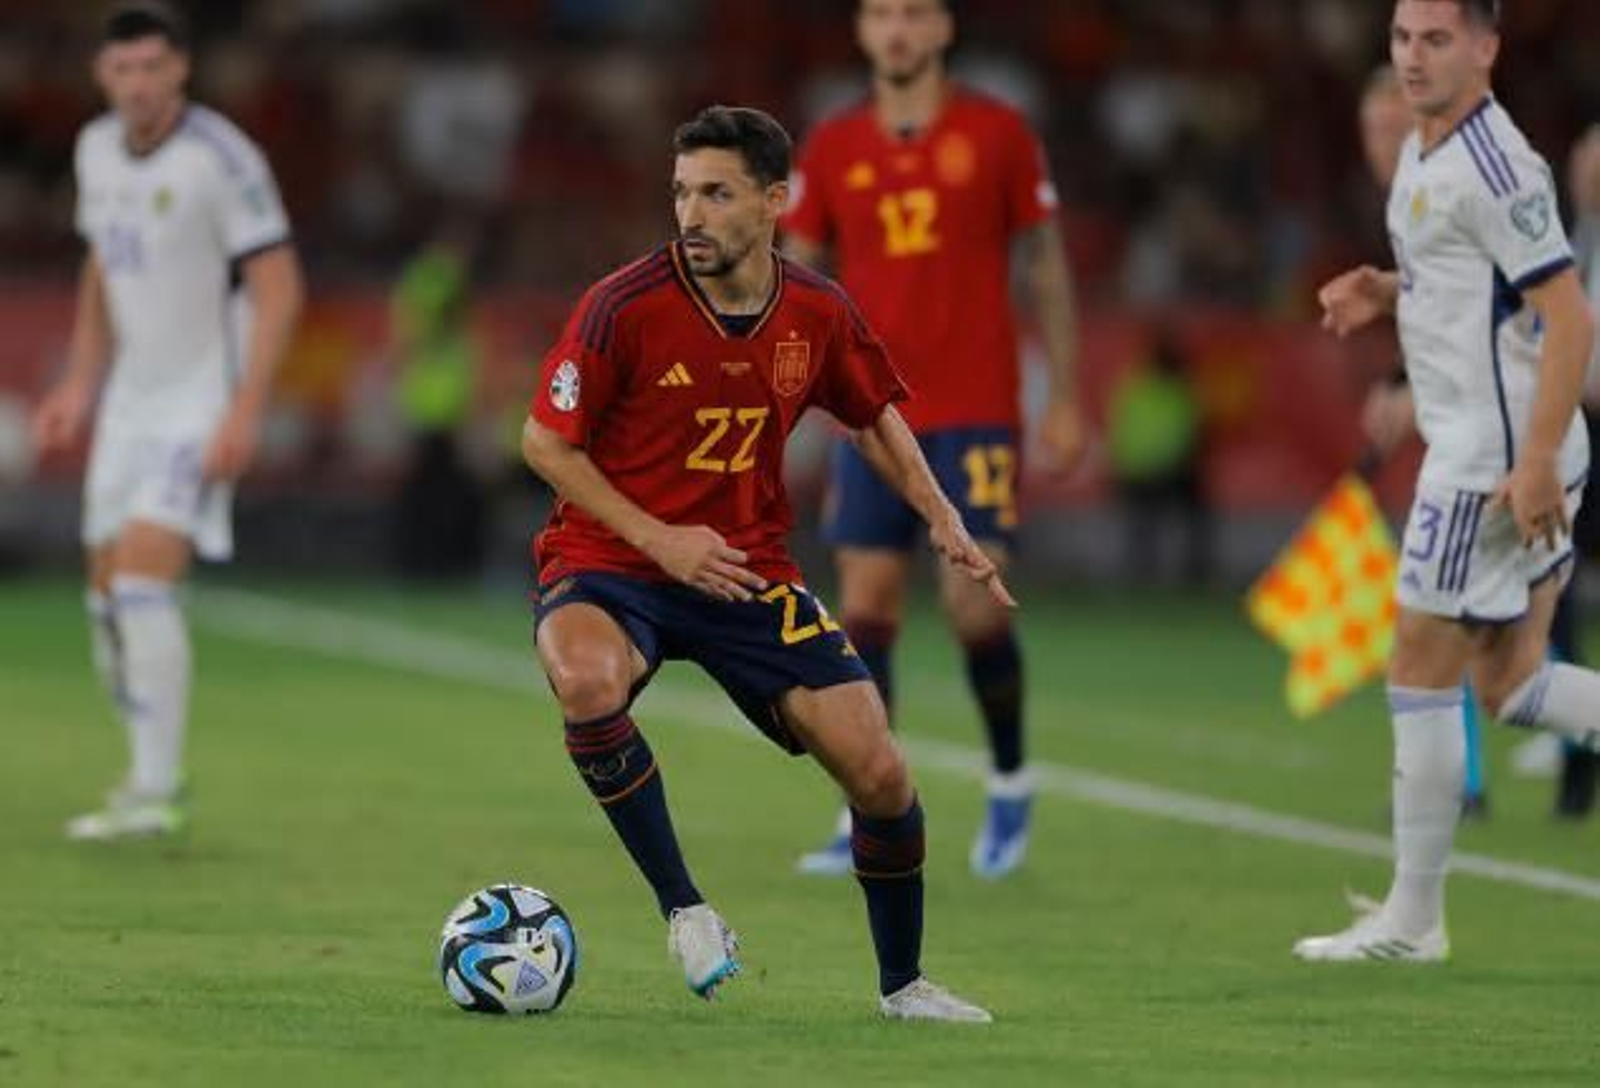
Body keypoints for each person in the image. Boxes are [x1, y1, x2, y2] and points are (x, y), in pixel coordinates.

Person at [524, 105, 1000, 1021]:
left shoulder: (816, 312)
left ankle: (904, 988)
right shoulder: (624, 304)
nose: (690, 215)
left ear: (775, 201)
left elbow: (870, 415)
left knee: (882, 774)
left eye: (716, 193)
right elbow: (545, 442)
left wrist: (941, 515)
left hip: (747, 575)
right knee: (586, 682)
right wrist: (660, 539)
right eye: (680, 193)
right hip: (612, 563)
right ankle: (686, 911)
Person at [1295, 0, 1600, 963]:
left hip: (1491, 466)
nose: (1415, 58)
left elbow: (1571, 319)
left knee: (1417, 669)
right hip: (1496, 454)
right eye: (1402, 39)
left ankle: (1412, 922)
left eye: (1437, 40)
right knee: (1508, 683)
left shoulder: (1497, 166)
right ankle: (1412, 918)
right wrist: (1386, 289)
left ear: (1486, 48)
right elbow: (1476, 281)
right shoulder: (1429, 149)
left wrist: (1537, 459)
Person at [782, 0, 1084, 879]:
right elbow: (798, 275)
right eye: (883, 14)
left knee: (972, 604)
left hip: (977, 406)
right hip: (871, 414)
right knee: (866, 606)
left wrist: (1065, 394)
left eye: (915, 13)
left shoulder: (998, 134)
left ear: (945, 28)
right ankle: (866, 804)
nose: (899, 30)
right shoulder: (834, 146)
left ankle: (1010, 778)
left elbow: (1047, 264)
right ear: (862, 32)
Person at [30, 2, 303, 840]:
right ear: (101, 76)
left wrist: (246, 407)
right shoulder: (94, 149)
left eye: (153, 68)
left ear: (180, 68)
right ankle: (145, 769)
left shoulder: (221, 158)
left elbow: (278, 284)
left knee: (145, 580)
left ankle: (155, 788)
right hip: (128, 404)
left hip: (198, 397)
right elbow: (100, 267)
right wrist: (80, 381)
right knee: (108, 598)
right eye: (122, 70)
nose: (138, 85)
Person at [1354, 64, 1491, 819]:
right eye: (1370, 129)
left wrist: (1411, 387)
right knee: (1465, 620)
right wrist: (1402, 376)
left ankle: (1453, 784)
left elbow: (1484, 304)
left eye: (1392, 128)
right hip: (1472, 431)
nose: (1381, 143)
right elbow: (1435, 306)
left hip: (1504, 432)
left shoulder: (1451, 192)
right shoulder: (1415, 199)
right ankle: (1456, 784)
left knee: (1456, 620)